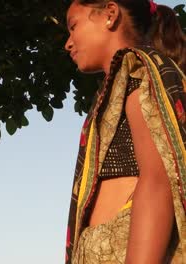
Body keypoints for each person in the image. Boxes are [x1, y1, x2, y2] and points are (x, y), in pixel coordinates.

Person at [64, 0, 185, 263]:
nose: (68, 43)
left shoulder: (140, 74)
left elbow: (157, 181)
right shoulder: (113, 93)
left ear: (110, 14)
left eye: (73, 27)